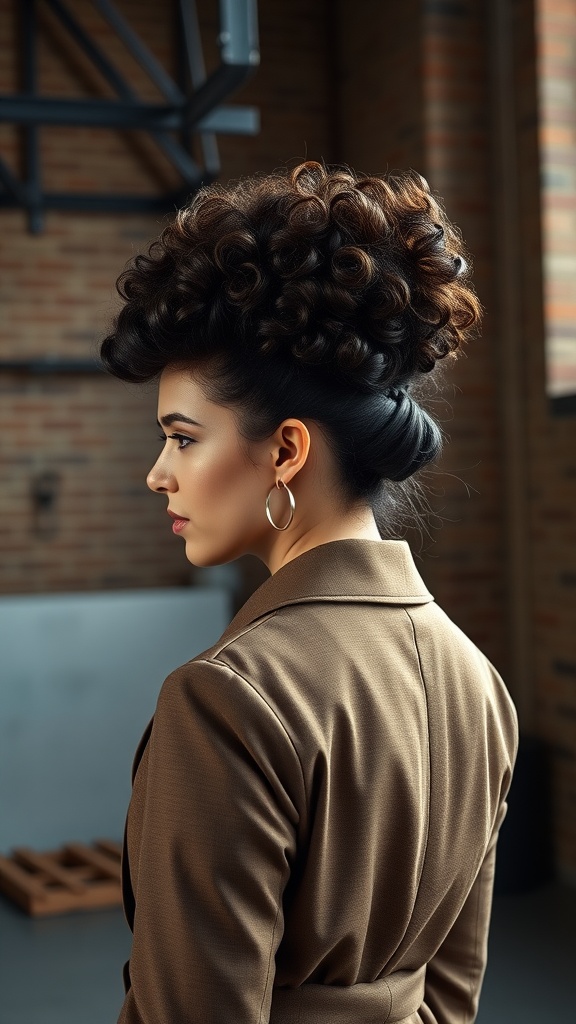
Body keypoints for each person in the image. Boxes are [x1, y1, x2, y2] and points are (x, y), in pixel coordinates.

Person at [100, 161, 518, 1024]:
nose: (157, 476)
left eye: (183, 439)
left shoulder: (226, 701)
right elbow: (451, 995)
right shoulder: (480, 683)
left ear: (287, 451)